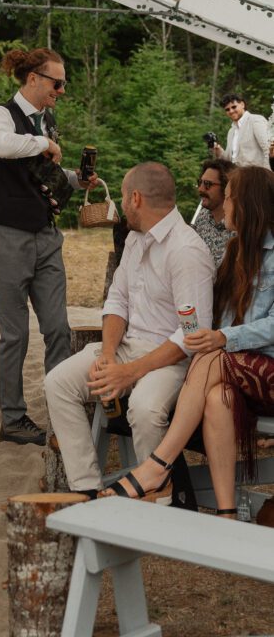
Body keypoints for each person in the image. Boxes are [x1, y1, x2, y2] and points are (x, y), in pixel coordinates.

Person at [101, 166, 274, 514]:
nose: (224, 205)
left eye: (229, 198)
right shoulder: (235, 252)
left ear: (248, 204)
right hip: (235, 370)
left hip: (263, 366)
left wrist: (222, 337)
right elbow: (214, 320)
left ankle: (157, 465)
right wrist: (200, 329)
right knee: (217, 398)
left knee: (210, 357)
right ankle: (226, 514)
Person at [44, 162, 214, 496]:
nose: (121, 205)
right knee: (59, 382)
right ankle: (87, 490)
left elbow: (191, 335)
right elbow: (117, 300)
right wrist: (109, 356)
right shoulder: (136, 239)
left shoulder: (186, 251)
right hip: (126, 348)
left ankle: (156, 494)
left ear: (136, 198)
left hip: (172, 360)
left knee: (145, 408)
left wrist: (130, 372)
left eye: (122, 197)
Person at [0, 46, 99, 447]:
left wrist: (74, 179)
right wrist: (43, 143)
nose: (62, 91)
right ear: (33, 79)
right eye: (57, 83)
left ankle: (61, 415)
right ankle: (13, 419)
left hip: (46, 236)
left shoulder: (46, 120)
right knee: (15, 335)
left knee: (58, 328)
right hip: (6, 235)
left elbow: (42, 171)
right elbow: (3, 145)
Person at [192, 157, 236, 267]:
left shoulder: (239, 226)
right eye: (200, 182)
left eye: (207, 184)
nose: (200, 189)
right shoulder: (202, 217)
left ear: (226, 186)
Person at [214, 93, 270, 168]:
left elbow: (269, 150)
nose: (231, 111)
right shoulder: (231, 131)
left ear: (242, 104)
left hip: (257, 173)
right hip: (235, 173)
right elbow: (230, 160)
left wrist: (267, 173)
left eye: (234, 107)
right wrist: (219, 152)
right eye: (227, 109)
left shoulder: (256, 120)